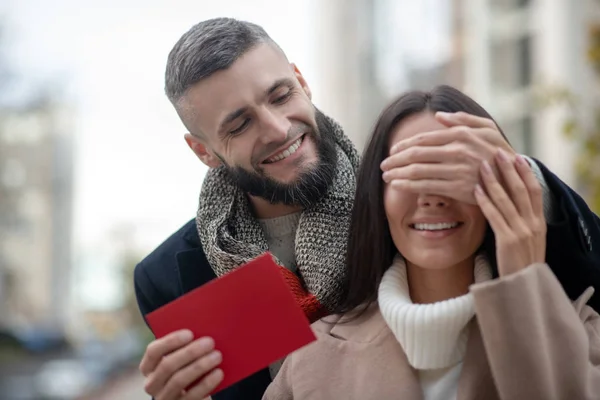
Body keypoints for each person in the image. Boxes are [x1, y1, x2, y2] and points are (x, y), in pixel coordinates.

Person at [134, 18, 600, 400]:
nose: (277, 128)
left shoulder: (404, 202)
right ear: (203, 151)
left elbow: (577, 278)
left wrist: (517, 180)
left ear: (301, 81)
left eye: (280, 96)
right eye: (239, 124)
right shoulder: (170, 277)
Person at [262, 85, 600, 400]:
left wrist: (522, 281)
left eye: (452, 172)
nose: (432, 197)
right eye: (410, 172)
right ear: (378, 197)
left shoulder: (580, 331)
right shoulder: (312, 360)